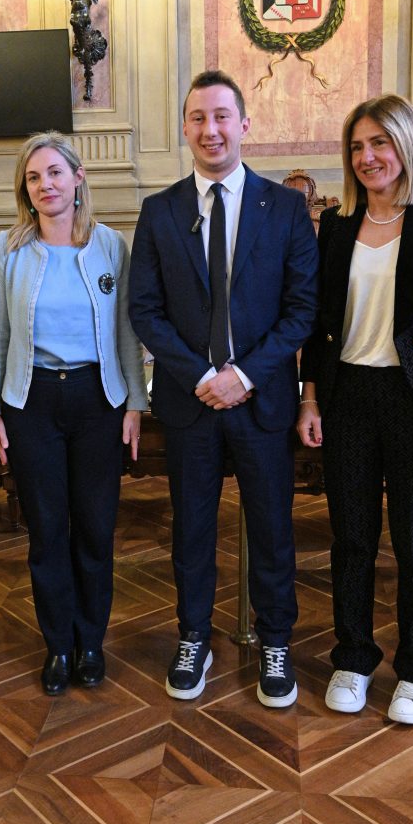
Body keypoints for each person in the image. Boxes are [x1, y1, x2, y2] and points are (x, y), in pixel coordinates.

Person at [128, 69, 319, 706]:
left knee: (272, 530)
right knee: (191, 531)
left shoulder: (285, 208)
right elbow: (145, 311)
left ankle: (275, 641)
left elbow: (301, 309)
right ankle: (193, 637)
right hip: (190, 402)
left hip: (262, 402)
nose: (210, 129)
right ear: (185, 128)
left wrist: (244, 374)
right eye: (197, 118)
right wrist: (204, 376)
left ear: (244, 125)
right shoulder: (159, 212)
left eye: (220, 116)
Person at [298, 94, 413, 725]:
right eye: (357, 146)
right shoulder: (336, 225)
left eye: (379, 142)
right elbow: (320, 323)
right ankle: (352, 657)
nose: (367, 156)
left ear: (405, 144)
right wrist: (310, 398)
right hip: (347, 396)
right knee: (351, 539)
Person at [0, 131, 148, 696]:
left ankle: (91, 642)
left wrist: (135, 403)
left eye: (54, 173)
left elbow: (126, 332)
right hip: (31, 403)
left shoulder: (110, 246)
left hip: (99, 400)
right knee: (48, 531)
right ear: (24, 189)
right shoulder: (8, 249)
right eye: (33, 177)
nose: (45, 185)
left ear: (78, 178)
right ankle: (58, 646)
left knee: (95, 529)